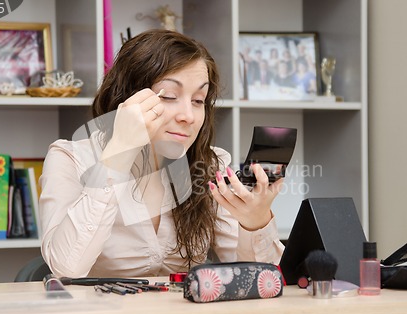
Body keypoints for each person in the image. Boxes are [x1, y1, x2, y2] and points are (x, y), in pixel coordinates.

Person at [39, 29, 286, 278]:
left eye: (199, 100)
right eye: (168, 96)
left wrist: (255, 221)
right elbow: (67, 267)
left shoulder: (210, 165)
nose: (188, 116)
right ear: (126, 98)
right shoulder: (70, 159)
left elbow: (258, 278)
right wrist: (120, 152)